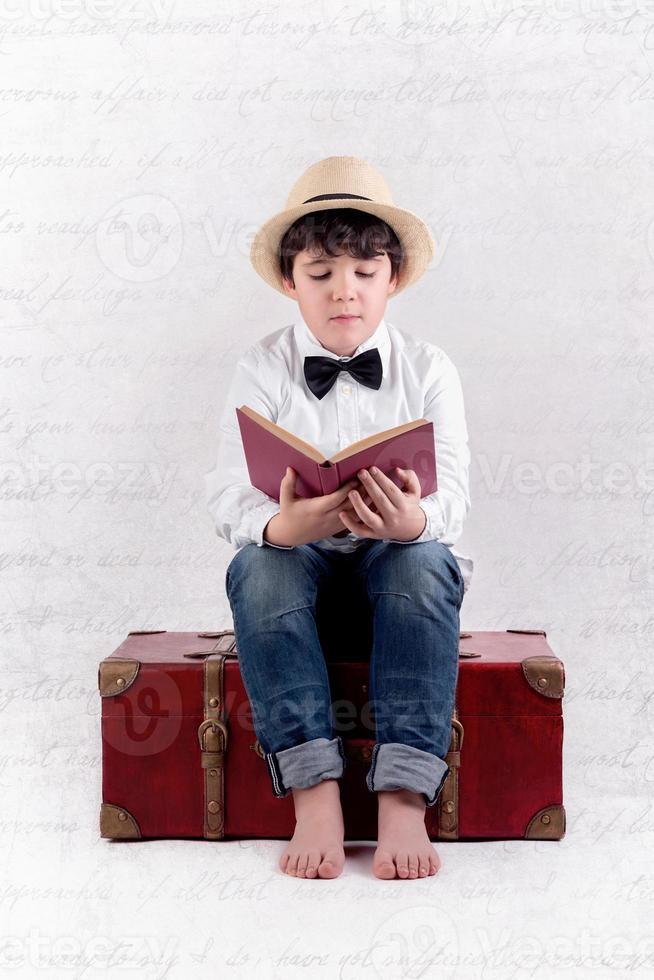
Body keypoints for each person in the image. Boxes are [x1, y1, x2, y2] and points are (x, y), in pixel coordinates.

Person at [204, 155, 473, 880]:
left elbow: (455, 504)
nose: (343, 292)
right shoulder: (262, 368)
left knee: (425, 558)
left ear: (393, 279)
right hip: (299, 586)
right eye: (321, 275)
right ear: (291, 281)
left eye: (363, 273)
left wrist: (410, 521)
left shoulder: (429, 369)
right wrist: (281, 528)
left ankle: (405, 796)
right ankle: (314, 787)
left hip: (398, 575)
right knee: (256, 564)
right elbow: (227, 492)